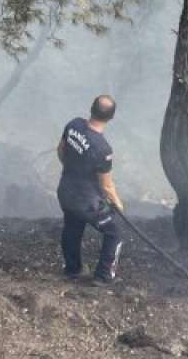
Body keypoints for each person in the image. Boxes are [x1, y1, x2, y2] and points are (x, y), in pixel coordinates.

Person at [56, 94, 125, 284]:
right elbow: (107, 186)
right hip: (86, 202)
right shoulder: (103, 149)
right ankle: (104, 276)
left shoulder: (74, 125)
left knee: (72, 227)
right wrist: (118, 203)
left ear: (91, 108)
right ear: (111, 117)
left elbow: (61, 150)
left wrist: (72, 169)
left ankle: (73, 269)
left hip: (65, 191)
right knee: (115, 232)